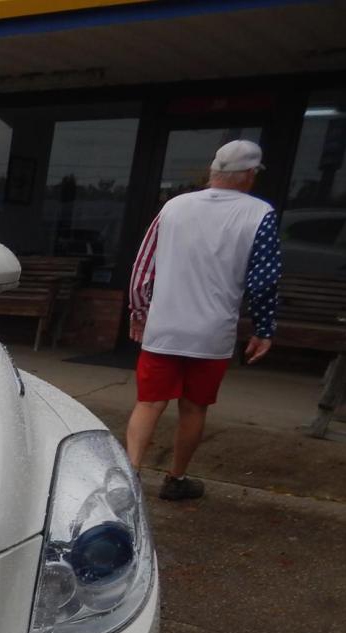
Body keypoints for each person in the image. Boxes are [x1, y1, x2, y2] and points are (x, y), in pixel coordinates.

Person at [125, 139, 281, 500]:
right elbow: (264, 280)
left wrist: (139, 313)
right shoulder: (260, 214)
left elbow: (143, 269)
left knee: (148, 402)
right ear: (248, 175)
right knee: (194, 407)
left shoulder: (174, 207)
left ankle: (131, 474)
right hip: (212, 333)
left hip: (164, 326)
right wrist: (264, 328)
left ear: (214, 171)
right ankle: (176, 479)